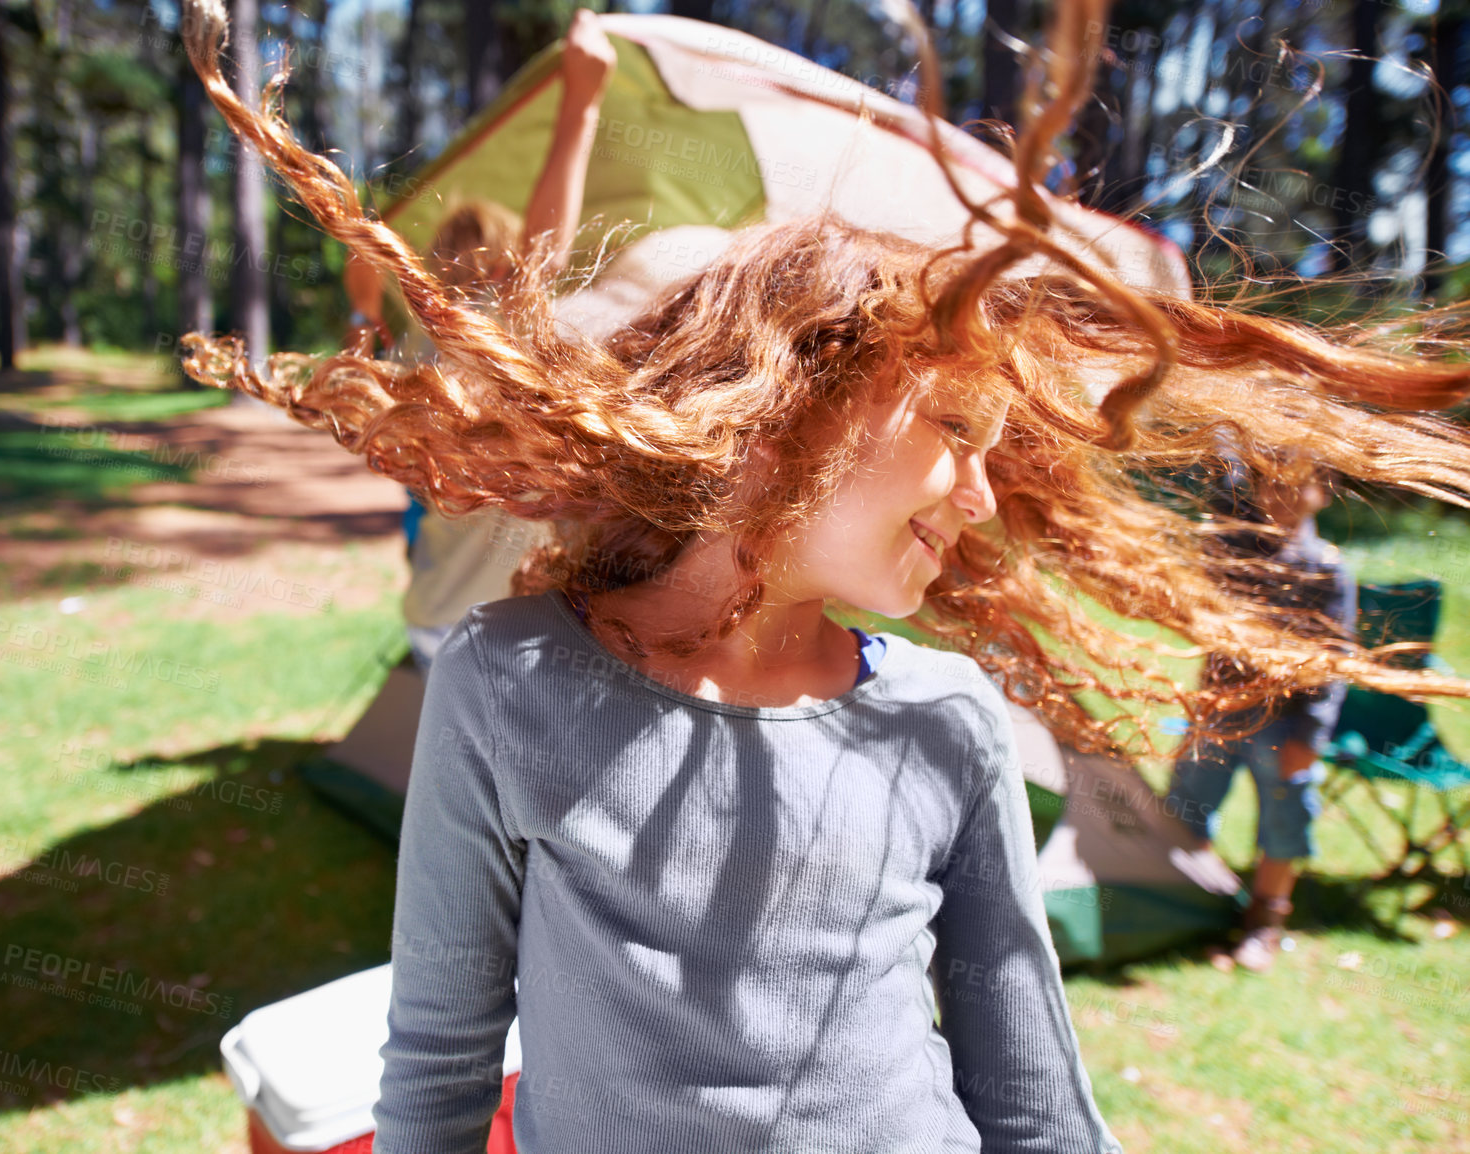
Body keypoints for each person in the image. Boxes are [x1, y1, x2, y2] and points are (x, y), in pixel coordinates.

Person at [179, 0, 1470, 1149]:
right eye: (957, 433)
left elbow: (1030, 1092)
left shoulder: (945, 718)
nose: (978, 498)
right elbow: (444, 1058)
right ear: (785, 410)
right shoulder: (511, 684)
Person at [342, 9, 616, 673]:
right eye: (490, 267)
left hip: (438, 619)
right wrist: (581, 104)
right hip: (490, 634)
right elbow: (544, 259)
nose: (487, 282)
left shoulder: (417, 356)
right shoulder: (481, 343)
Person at [1165, 450, 1357, 972]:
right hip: (1223, 709)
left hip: (1287, 722)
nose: (1282, 499)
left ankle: (1264, 924)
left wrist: (1309, 738)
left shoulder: (1326, 568)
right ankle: (1194, 903)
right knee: (1185, 802)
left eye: (1296, 488)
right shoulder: (1230, 544)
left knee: (1284, 814)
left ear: (1319, 492)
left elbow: (1332, 662)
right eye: (1271, 486)